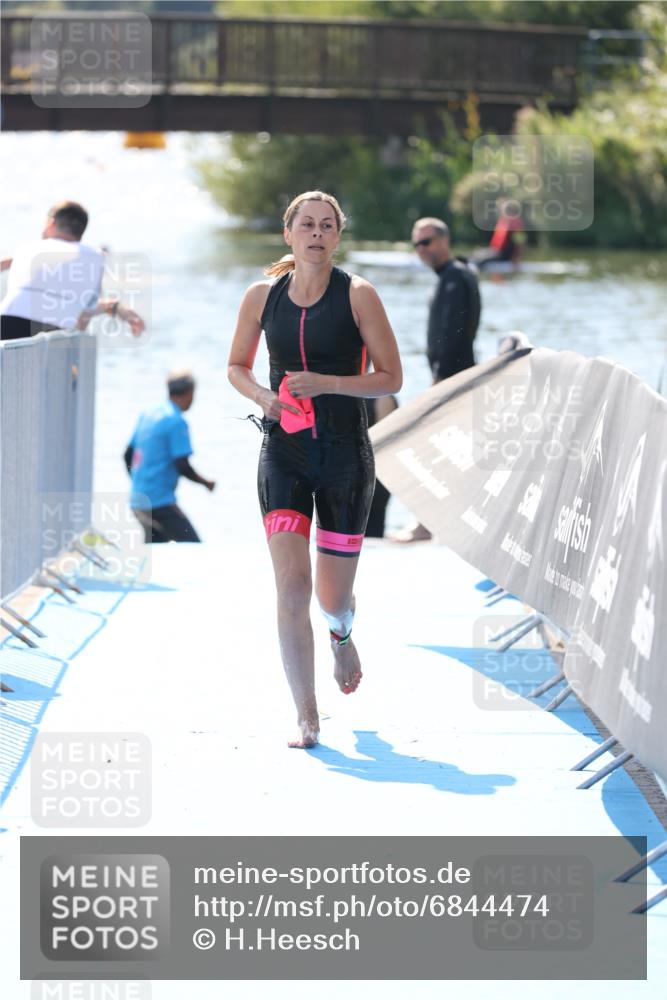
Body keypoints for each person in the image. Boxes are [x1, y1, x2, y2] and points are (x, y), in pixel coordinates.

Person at [228, 190, 402, 748]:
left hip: (345, 455)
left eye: (328, 226)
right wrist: (264, 397)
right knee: (291, 585)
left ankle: (341, 632)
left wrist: (326, 383)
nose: (317, 234)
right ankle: (307, 715)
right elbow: (235, 366)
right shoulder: (261, 296)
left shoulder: (359, 295)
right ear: (289, 234)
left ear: (338, 236)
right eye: (307, 224)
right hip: (284, 453)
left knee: (330, 597)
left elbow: (391, 378)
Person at [393, 216, 481, 543]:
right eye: (416, 244)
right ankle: (439, 523)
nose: (421, 249)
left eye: (427, 242)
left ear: (444, 241)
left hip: (453, 381)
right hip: (456, 379)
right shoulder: (454, 276)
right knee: (447, 453)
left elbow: (454, 335)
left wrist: (440, 380)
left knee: (429, 451)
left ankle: (424, 525)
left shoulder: (455, 279)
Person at [0, 200, 144, 340]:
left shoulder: (27, 249)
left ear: (50, 223)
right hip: (55, 333)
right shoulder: (95, 257)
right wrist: (115, 307)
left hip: (6, 323)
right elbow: (85, 312)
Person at [124, 370, 215, 543]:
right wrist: (206, 483)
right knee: (194, 547)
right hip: (159, 503)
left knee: (155, 548)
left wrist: (140, 482)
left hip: (138, 500)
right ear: (189, 393)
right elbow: (182, 466)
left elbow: (127, 455)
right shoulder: (176, 421)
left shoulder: (148, 414)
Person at [472, 198, 526, 271]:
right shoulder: (503, 220)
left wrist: (517, 258)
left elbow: (520, 242)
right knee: (475, 255)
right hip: (495, 251)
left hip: (504, 255)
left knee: (480, 261)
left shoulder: (515, 222)